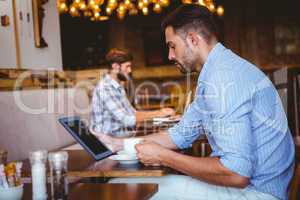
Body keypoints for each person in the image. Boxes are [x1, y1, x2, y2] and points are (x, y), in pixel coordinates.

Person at [92, 5, 295, 200]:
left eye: (172, 46)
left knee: (130, 187)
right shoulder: (216, 72)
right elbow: (181, 134)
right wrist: (119, 144)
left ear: (192, 39)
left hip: (258, 193)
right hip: (254, 186)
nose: (170, 55)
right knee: (129, 183)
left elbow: (236, 174)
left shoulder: (224, 77)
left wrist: (164, 157)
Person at [90, 48, 175, 137]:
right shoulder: (105, 88)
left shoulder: (117, 86)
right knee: (162, 139)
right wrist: (159, 113)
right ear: (115, 66)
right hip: (108, 142)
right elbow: (126, 120)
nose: (130, 70)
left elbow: (132, 113)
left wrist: (161, 114)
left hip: (123, 136)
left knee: (165, 134)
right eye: (127, 66)